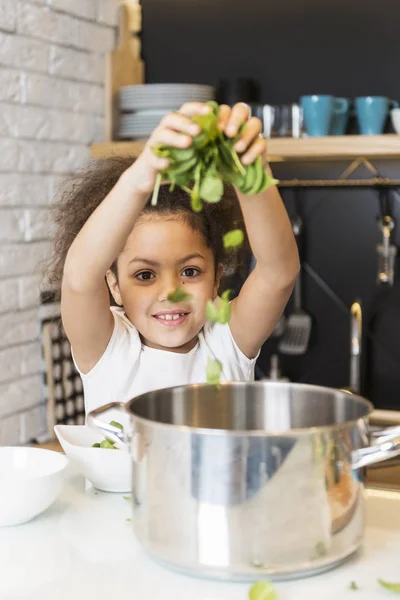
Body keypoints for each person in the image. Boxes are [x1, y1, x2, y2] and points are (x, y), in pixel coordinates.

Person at [47, 102, 299, 420]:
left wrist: (252, 177)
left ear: (217, 277)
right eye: (145, 275)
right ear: (114, 285)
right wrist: (140, 179)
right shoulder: (108, 349)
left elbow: (279, 272)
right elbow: (79, 279)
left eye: (190, 271)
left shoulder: (226, 341)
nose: (171, 291)